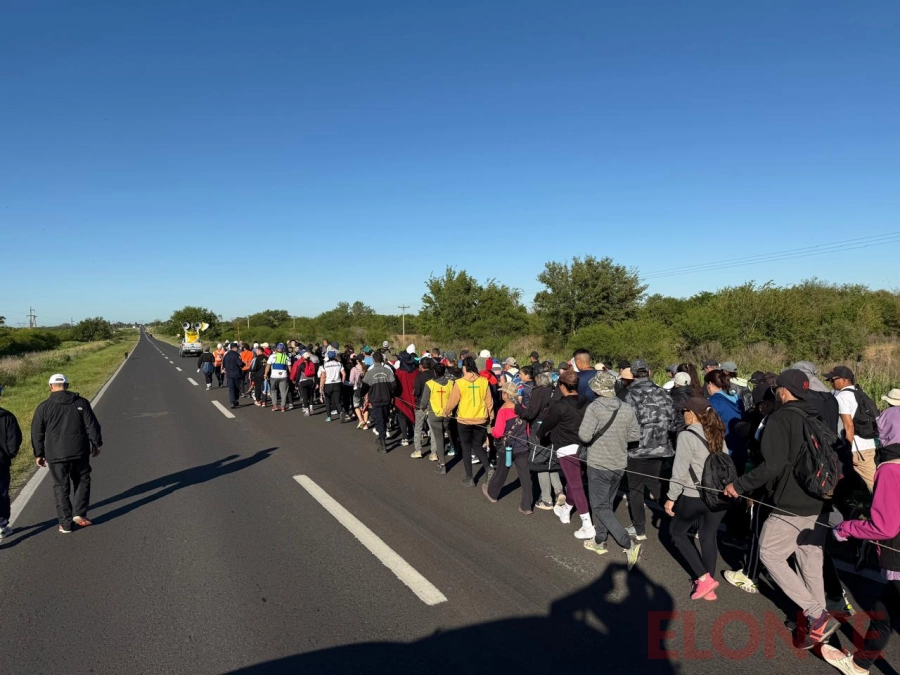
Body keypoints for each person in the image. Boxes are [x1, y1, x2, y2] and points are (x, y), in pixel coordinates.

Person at [724, 369, 840, 648]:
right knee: (809, 558)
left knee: (769, 553)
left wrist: (739, 485)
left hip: (792, 502)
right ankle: (819, 622)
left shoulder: (779, 418)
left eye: (777, 388)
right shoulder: (813, 415)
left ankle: (817, 615)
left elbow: (772, 466)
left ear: (784, 391)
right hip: (820, 498)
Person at [822, 410, 900, 675]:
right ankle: (859, 664)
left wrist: (846, 528)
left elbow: (884, 526)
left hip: (897, 554)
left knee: (884, 613)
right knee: (882, 612)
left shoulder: (890, 469)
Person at [664, 397, 729, 601]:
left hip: (695, 495)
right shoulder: (717, 433)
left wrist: (671, 497)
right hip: (719, 496)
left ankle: (703, 579)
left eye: (684, 411)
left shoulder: (687, 435)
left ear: (691, 414)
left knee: (677, 532)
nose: (682, 415)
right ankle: (709, 584)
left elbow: (680, 471)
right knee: (708, 536)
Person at [578, 371, 644, 571]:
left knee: (599, 506)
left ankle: (627, 543)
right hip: (619, 463)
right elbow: (634, 436)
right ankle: (600, 539)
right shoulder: (626, 408)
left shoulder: (594, 408)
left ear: (597, 389)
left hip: (598, 463)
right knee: (605, 504)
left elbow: (584, 436)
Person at [31, 373, 103, 534]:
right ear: (67, 386)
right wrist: (96, 443)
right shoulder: (81, 402)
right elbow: (92, 425)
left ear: (50, 387)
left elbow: (37, 433)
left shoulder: (43, 407)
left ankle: (65, 523)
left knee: (60, 486)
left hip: (55, 453)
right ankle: (79, 512)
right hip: (79, 450)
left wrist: (39, 453)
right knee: (82, 479)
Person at [625, 358, 676, 541]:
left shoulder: (630, 394)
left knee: (636, 488)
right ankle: (674, 520)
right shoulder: (663, 392)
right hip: (661, 446)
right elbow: (672, 419)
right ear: (648, 372)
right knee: (654, 483)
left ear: (632, 374)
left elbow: (628, 423)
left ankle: (639, 528)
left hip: (638, 448)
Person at [538, 369, 591, 536]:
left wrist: (539, 435)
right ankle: (566, 511)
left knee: (576, 485)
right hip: (584, 447)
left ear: (562, 386)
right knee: (574, 482)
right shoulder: (587, 402)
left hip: (566, 447)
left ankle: (587, 525)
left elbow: (546, 425)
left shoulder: (559, 406)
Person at [824, 365, 879, 492]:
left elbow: (849, 426)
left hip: (857, 449)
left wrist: (848, 451)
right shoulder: (859, 393)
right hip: (868, 443)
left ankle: (888, 503)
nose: (831, 382)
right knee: (874, 481)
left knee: (875, 485)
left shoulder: (842, 397)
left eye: (833, 379)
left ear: (844, 380)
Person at [442, 356, 493, 487]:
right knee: (477, 445)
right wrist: (490, 417)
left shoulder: (460, 383)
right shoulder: (484, 382)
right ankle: (488, 468)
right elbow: (489, 402)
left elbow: (453, 401)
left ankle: (469, 477)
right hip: (480, 418)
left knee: (466, 447)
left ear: (465, 367)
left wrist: (446, 411)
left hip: (464, 420)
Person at [483, 382, 533, 514]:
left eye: (503, 392)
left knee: (501, 472)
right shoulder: (522, 407)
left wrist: (492, 431)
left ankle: (492, 493)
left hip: (508, 447)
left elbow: (499, 433)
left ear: (506, 395)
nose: (501, 394)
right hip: (522, 446)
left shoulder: (503, 410)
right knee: (525, 477)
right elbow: (527, 428)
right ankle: (526, 506)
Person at [704, 369, 747, 470]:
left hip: (725, 447)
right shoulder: (737, 397)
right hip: (740, 446)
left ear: (710, 384)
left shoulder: (714, 402)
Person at [421, 363, 456, 474]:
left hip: (434, 414)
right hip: (447, 414)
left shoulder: (430, 384)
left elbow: (423, 402)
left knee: (439, 439)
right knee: (443, 436)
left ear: (434, 372)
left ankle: (442, 464)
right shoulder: (451, 383)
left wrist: (423, 409)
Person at [361, 351, 396, 453]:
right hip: (386, 399)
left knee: (380, 420)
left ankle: (382, 442)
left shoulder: (370, 372)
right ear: (382, 359)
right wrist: (391, 393)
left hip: (375, 399)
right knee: (383, 419)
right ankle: (381, 438)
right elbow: (394, 385)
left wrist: (362, 394)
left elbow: (364, 387)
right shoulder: (388, 371)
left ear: (373, 360)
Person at [0, 385, 23, 537]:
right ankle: (2, 525)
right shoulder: (7, 417)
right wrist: (9, 455)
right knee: (1, 493)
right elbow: (14, 440)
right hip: (1, 462)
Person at [411, 357, 435, 458]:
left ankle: (418, 450)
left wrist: (414, 392)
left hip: (420, 404)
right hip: (432, 405)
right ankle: (434, 453)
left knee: (418, 428)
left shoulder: (419, 377)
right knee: (433, 429)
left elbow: (417, 392)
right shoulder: (434, 376)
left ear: (421, 366)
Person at [318, 349, 345, 421]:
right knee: (337, 400)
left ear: (328, 357)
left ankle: (329, 417)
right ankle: (341, 412)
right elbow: (344, 374)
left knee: (327, 401)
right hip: (337, 383)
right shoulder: (339, 364)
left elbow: (323, 377)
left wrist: (321, 386)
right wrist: (342, 382)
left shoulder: (324, 365)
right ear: (335, 356)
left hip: (328, 384)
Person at [222, 343, 245, 408]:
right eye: (237, 347)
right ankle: (235, 399)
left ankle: (232, 401)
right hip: (237, 374)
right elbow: (240, 364)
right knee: (237, 388)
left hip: (229, 374)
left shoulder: (226, 355)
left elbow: (223, 364)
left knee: (231, 388)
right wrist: (243, 364)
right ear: (234, 348)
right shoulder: (237, 355)